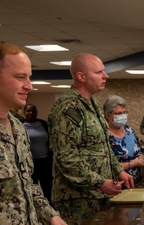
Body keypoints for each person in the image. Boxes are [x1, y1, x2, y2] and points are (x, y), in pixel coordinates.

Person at [47, 53, 134, 225]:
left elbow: (102, 145)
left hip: (97, 194)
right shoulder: (68, 108)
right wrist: (100, 182)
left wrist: (118, 170)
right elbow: (67, 158)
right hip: (78, 198)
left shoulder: (92, 103)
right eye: (99, 72)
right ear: (81, 76)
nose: (105, 75)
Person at [0, 41, 67, 224]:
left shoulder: (18, 127)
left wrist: (52, 216)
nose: (29, 86)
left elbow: (27, 185)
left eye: (29, 77)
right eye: (20, 77)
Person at [103, 95, 144, 184]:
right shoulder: (104, 136)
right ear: (108, 115)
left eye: (125, 112)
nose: (122, 116)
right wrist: (134, 164)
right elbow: (106, 166)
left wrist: (141, 158)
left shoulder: (129, 130)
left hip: (137, 183)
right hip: (118, 186)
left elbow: (140, 149)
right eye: (118, 113)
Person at [23, 103, 53, 206]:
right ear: (24, 113)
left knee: (48, 189)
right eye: (28, 111)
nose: (31, 113)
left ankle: (51, 212)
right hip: (30, 163)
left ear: (37, 112)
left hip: (45, 162)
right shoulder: (19, 126)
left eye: (33, 110)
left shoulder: (44, 125)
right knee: (32, 189)